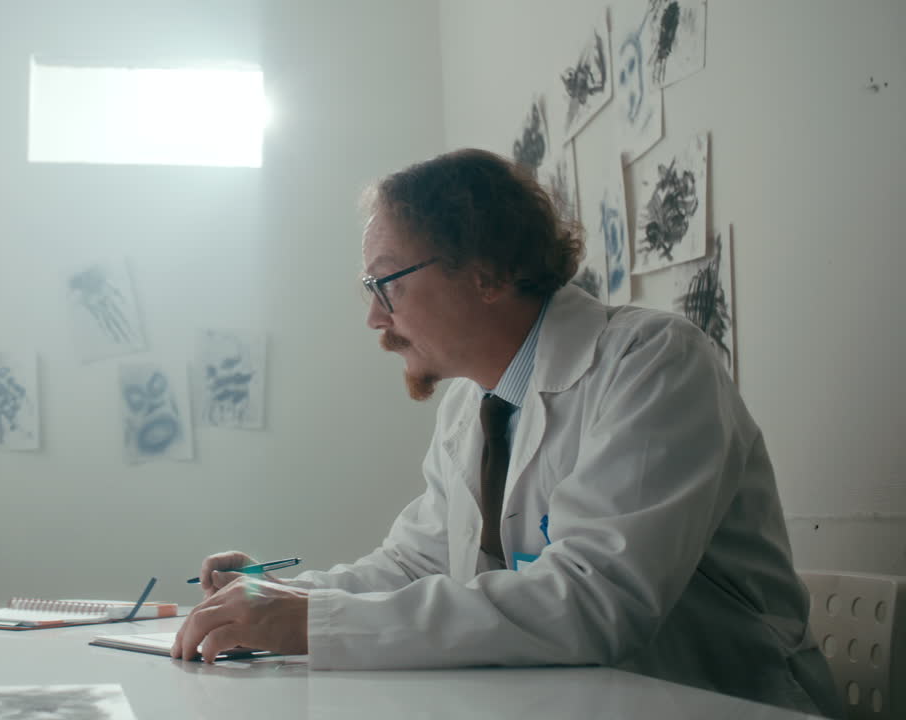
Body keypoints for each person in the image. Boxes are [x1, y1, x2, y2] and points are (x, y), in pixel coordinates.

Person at [172, 149, 842, 717]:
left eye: (387, 284)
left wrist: (314, 623)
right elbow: (416, 563)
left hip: (717, 702)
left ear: (485, 272)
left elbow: (595, 601)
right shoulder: (472, 407)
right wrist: (280, 599)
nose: (376, 319)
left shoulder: (653, 363)